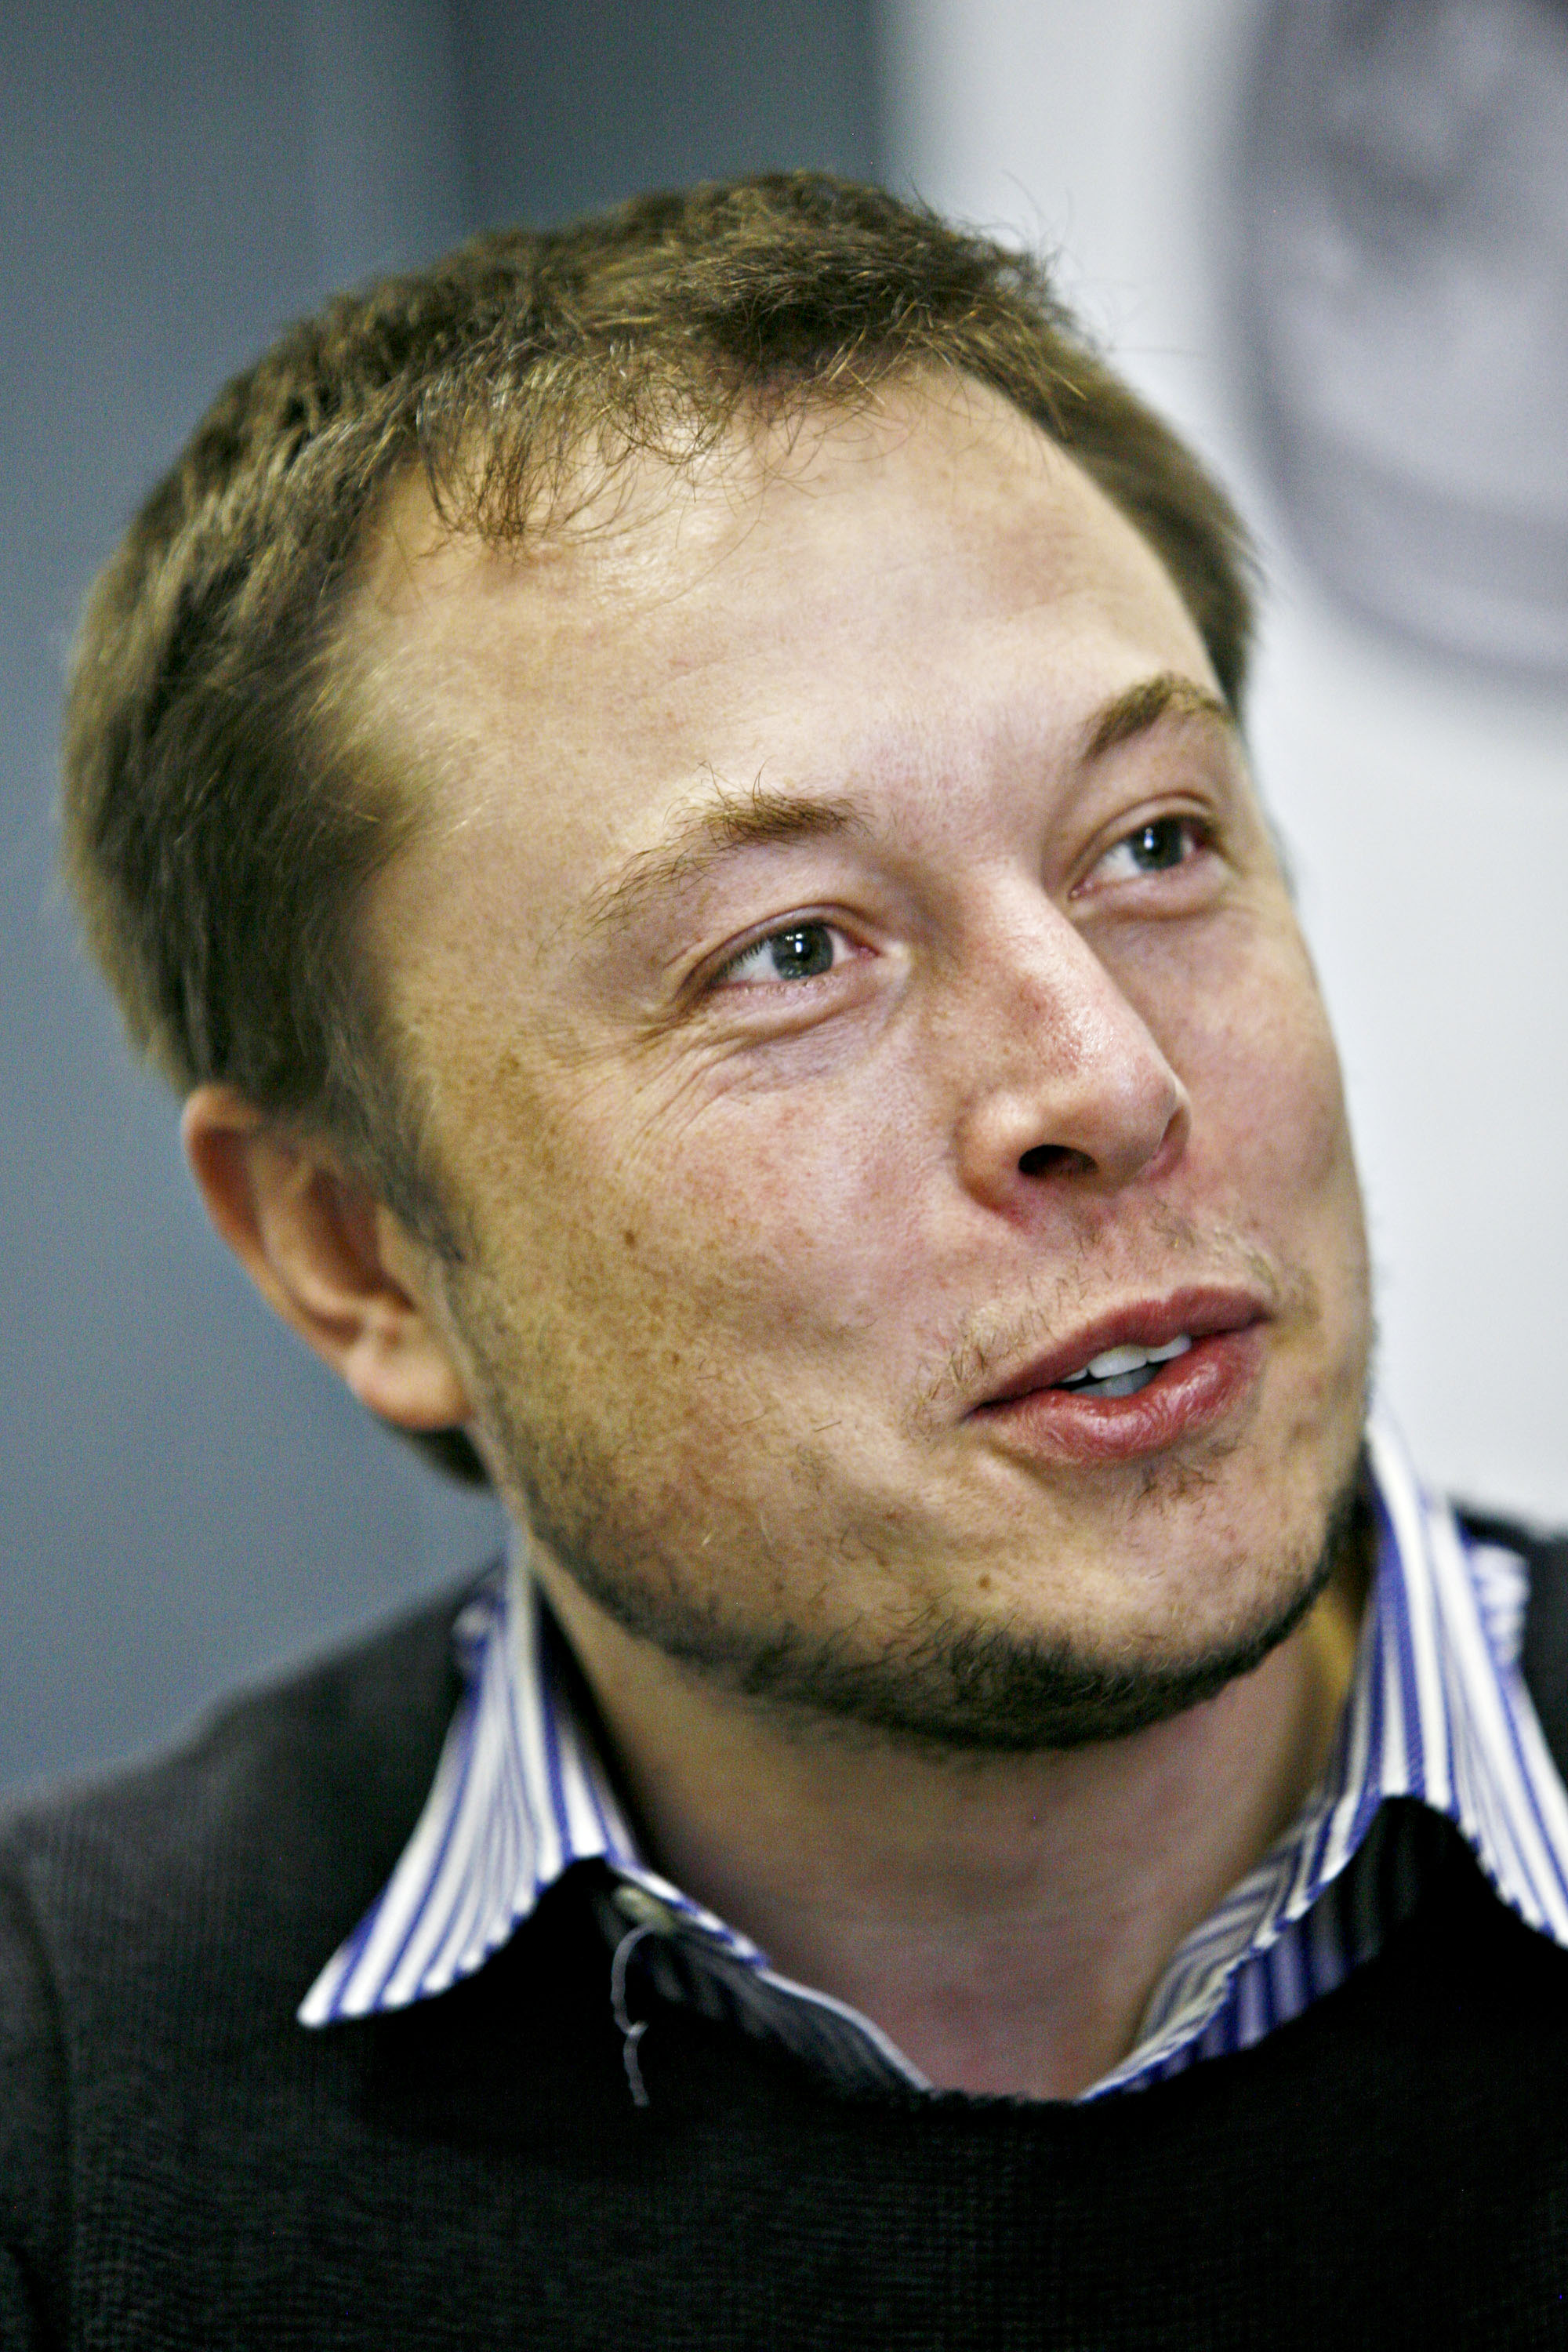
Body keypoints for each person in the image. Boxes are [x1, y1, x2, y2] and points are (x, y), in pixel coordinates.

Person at [3, 172, 1566, 2348]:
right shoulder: (60, 2123)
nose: (1102, 1079)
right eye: (794, 954)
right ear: (355, 1255)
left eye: (1155, 842)